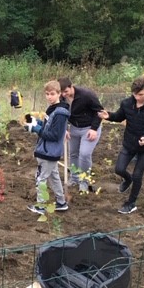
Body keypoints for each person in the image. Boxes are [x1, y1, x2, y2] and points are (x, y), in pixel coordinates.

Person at [98, 76, 144, 215]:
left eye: (140, 94)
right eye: (135, 94)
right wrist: (109, 116)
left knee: (137, 175)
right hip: (130, 143)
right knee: (119, 169)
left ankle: (131, 203)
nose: (137, 97)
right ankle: (127, 179)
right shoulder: (127, 104)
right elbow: (119, 116)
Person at [23, 81, 70, 215]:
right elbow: (48, 126)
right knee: (54, 176)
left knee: (41, 178)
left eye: (52, 94)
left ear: (59, 94)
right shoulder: (53, 109)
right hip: (48, 150)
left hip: (49, 151)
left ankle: (41, 206)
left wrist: (36, 129)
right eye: (47, 94)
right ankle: (61, 203)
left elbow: (54, 135)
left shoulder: (60, 113)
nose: (49, 97)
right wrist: (36, 122)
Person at [58, 77, 104, 192]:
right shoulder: (61, 98)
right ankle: (74, 178)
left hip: (89, 128)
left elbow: (99, 112)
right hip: (74, 128)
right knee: (73, 153)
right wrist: (64, 128)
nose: (64, 94)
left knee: (84, 154)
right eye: (61, 92)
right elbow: (61, 114)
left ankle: (84, 181)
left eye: (66, 91)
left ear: (71, 86)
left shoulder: (86, 95)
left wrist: (94, 128)